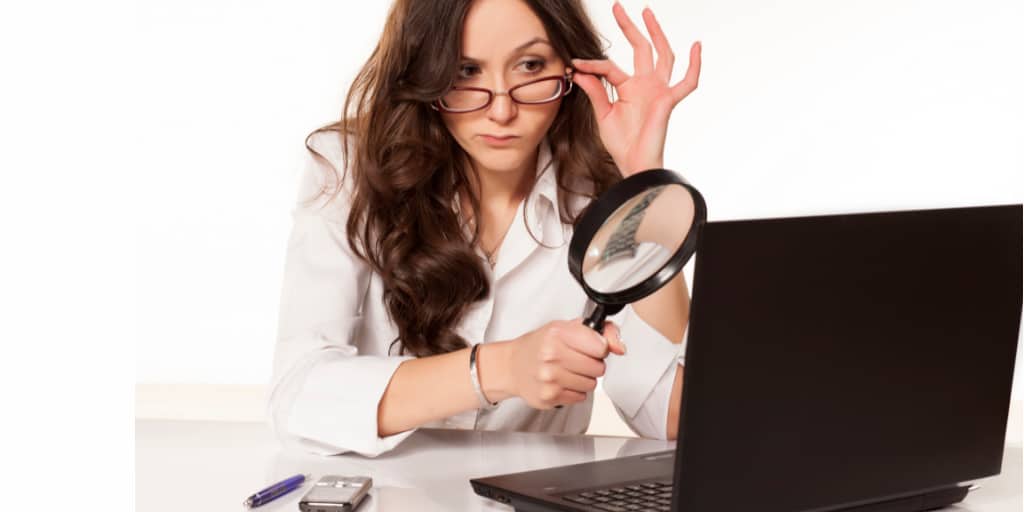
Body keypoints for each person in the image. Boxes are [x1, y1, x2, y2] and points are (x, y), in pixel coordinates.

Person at [268, 0, 702, 457]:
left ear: (572, 69)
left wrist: (643, 180)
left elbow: (669, 415)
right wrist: (501, 368)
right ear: (424, 71)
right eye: (466, 71)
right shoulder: (349, 169)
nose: (500, 109)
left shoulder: (600, 195)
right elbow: (299, 396)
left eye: (530, 66)